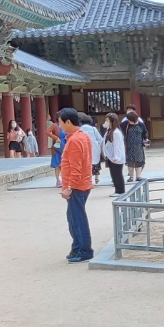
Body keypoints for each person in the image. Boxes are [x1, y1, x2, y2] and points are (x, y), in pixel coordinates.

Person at [57, 108, 95, 262]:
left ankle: (83, 250)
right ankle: (77, 247)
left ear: (68, 122)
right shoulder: (83, 136)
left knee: (77, 220)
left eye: (60, 122)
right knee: (74, 219)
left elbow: (76, 168)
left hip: (77, 187)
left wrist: (69, 188)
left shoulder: (74, 140)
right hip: (82, 184)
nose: (59, 126)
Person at [101, 112, 127, 195]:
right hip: (110, 156)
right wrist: (105, 154)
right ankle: (117, 189)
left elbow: (117, 146)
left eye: (107, 120)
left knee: (117, 174)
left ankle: (120, 190)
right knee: (113, 174)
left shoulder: (116, 132)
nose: (106, 122)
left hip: (116, 157)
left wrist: (117, 156)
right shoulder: (109, 131)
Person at [122, 106, 149, 183]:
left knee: (139, 161)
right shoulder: (125, 124)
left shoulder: (140, 124)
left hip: (139, 145)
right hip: (129, 145)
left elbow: (145, 132)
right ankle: (131, 176)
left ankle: (138, 176)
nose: (129, 121)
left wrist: (146, 139)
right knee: (130, 161)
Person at [78, 113, 103, 186]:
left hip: (84, 149)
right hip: (95, 149)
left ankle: (88, 180)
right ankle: (96, 177)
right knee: (95, 164)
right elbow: (100, 140)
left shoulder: (80, 129)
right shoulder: (93, 129)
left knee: (86, 165)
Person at [48, 114, 65, 185]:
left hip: (65, 146)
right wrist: (55, 137)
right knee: (57, 164)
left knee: (65, 164)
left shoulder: (66, 125)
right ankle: (58, 180)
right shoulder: (55, 125)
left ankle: (65, 179)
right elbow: (47, 132)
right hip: (57, 146)